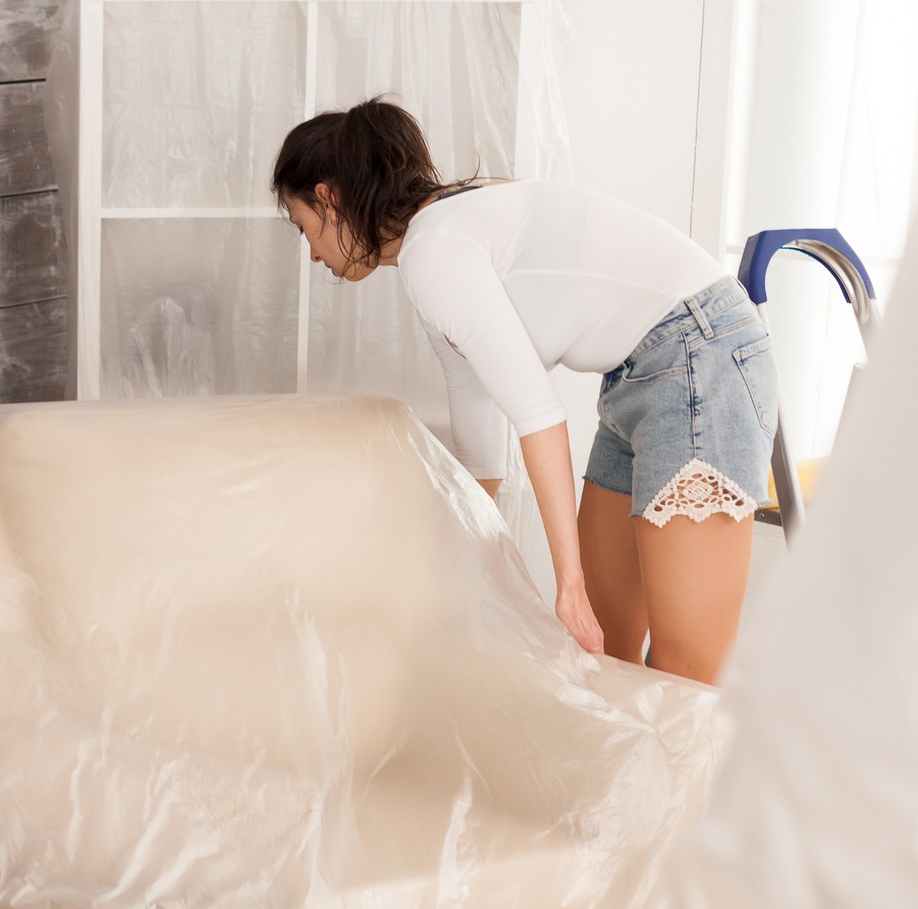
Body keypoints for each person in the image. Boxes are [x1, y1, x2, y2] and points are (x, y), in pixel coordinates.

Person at [274, 99, 780, 683]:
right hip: (636, 374)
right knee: (605, 654)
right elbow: (481, 444)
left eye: (303, 226)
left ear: (329, 198)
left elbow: (538, 415)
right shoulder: (441, 242)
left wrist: (566, 585)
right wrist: (456, 581)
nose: (312, 253)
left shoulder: (432, 253)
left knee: (687, 673)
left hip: (701, 355)